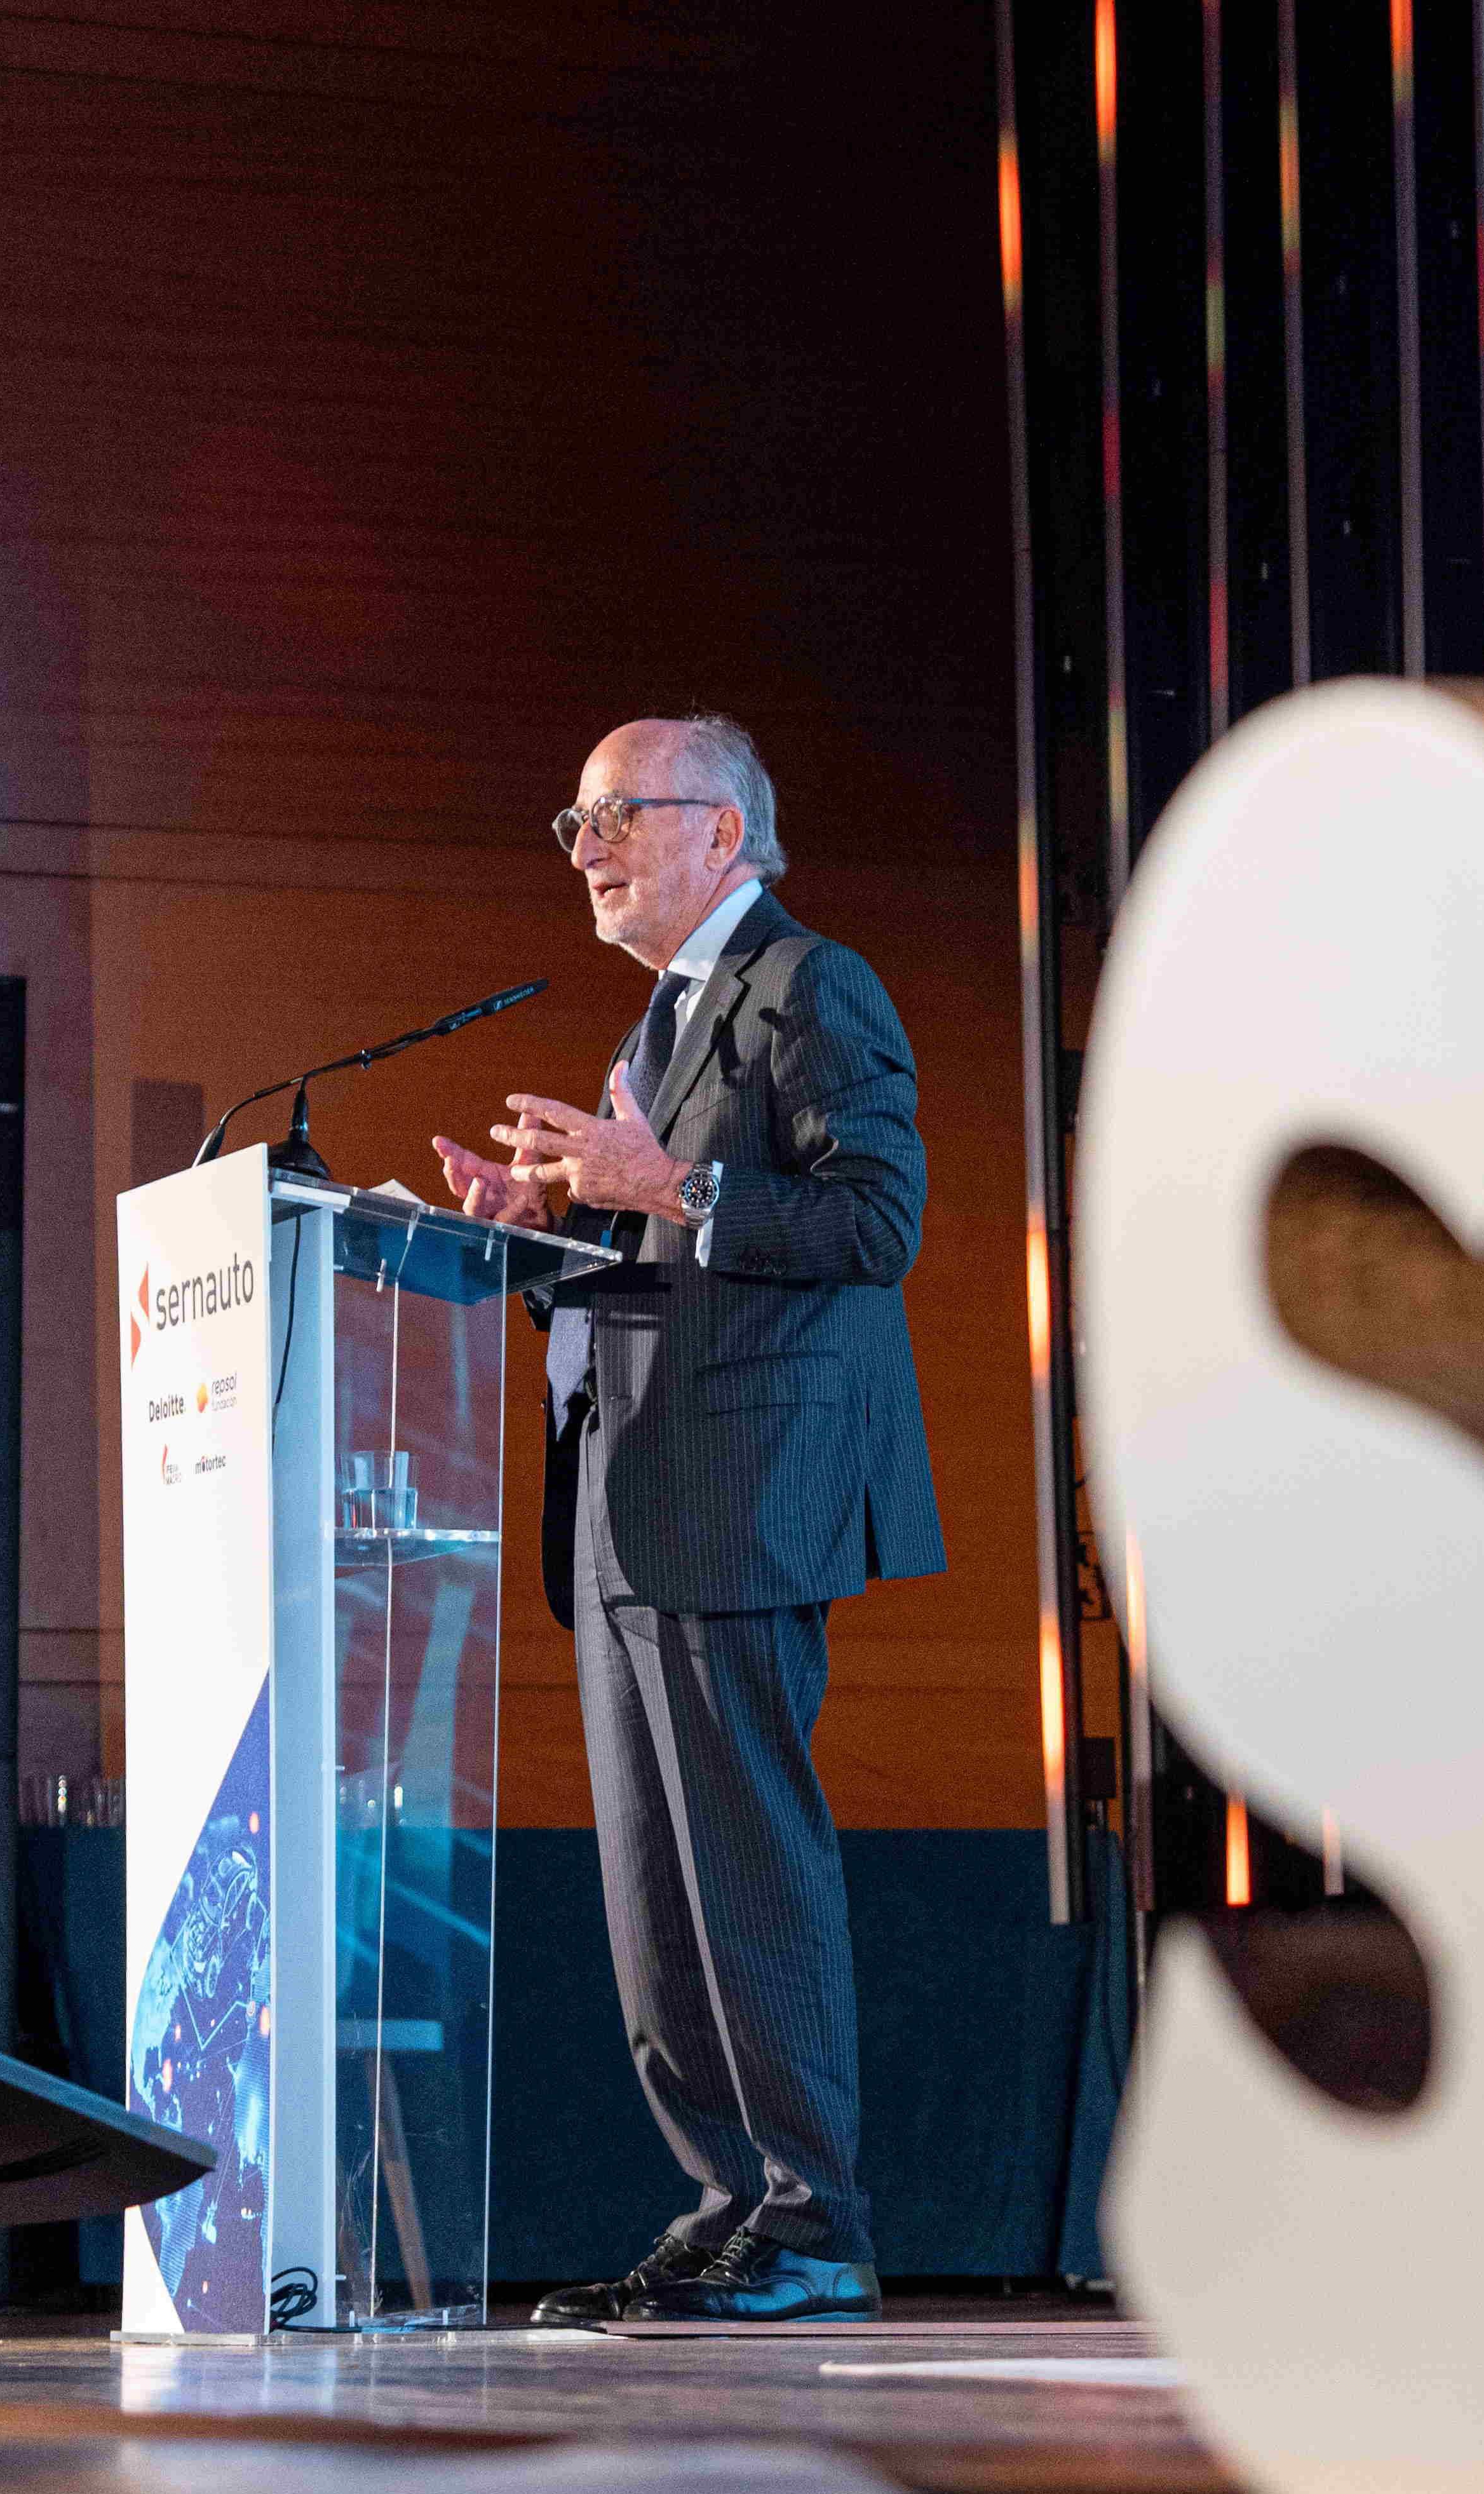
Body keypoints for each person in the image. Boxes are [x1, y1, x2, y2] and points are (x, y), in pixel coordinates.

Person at [429, 711, 943, 2326]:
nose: (585, 849)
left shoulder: (809, 986)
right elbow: (658, 1259)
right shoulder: (659, 1026)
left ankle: (815, 2223)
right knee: (656, 1895)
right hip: (623, 1490)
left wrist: (670, 1189)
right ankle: (729, 2204)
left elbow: (878, 1220)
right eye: (573, 823)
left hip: (739, 1492)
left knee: (745, 1877)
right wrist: (536, 1240)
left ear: (724, 831)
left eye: (617, 815)